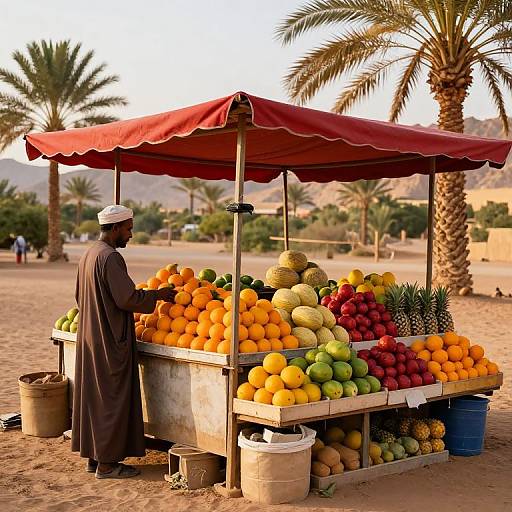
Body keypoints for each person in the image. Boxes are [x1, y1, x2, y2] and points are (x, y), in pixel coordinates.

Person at [72, 204, 176, 479]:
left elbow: (79, 296)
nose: (130, 234)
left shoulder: (89, 254)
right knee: (112, 400)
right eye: (128, 229)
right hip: (109, 340)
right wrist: (158, 295)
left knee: (97, 399)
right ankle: (107, 465)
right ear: (116, 227)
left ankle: (95, 458)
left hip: (91, 336)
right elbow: (127, 299)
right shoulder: (110, 257)